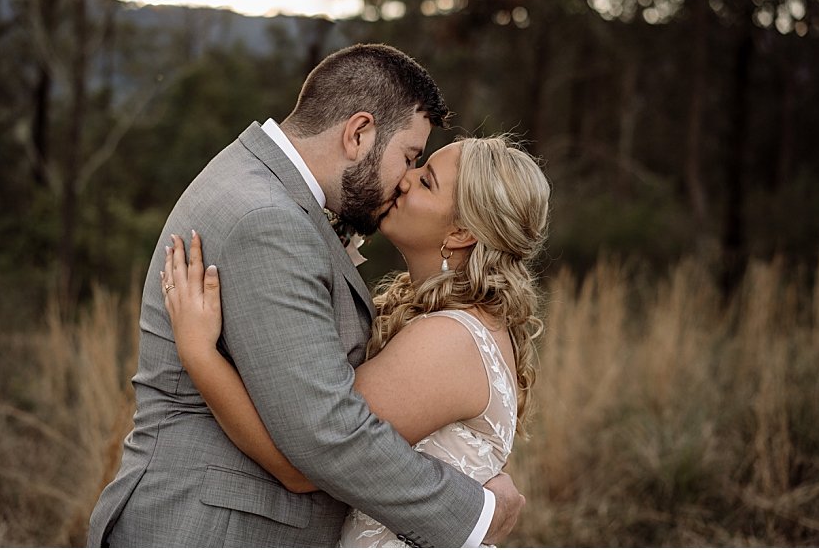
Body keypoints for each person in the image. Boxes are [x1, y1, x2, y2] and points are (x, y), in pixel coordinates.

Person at [87, 44, 524, 547]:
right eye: (410, 157)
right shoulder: (270, 219)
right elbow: (323, 435)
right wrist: (472, 512)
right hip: (207, 528)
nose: (404, 180)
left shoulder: (261, 188)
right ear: (359, 134)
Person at [161, 135, 550, 545]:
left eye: (427, 181)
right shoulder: (462, 326)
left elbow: (305, 465)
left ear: (460, 233)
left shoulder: (449, 340)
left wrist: (199, 353)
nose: (405, 180)